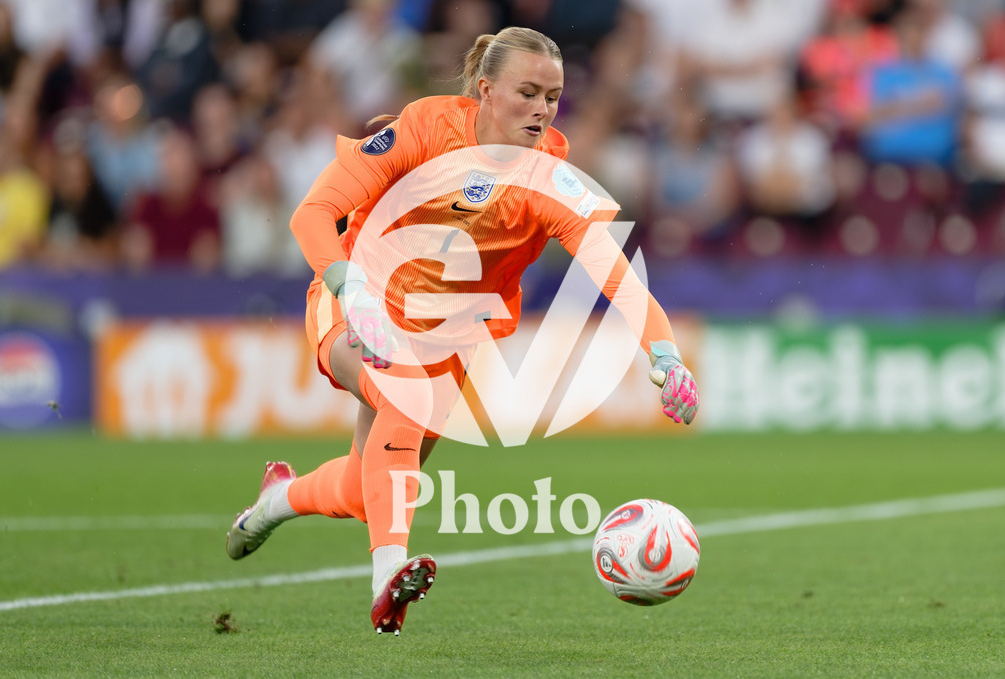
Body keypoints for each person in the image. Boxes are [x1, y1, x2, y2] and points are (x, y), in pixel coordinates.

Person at [224, 26, 700, 636]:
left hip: (447, 340)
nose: (541, 109)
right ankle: (387, 579)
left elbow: (619, 280)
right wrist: (352, 287)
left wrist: (665, 355)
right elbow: (312, 213)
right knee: (404, 396)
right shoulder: (424, 130)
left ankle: (276, 501)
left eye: (551, 97)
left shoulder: (549, 183)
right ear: (485, 89)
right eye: (526, 92)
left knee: (369, 488)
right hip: (358, 301)